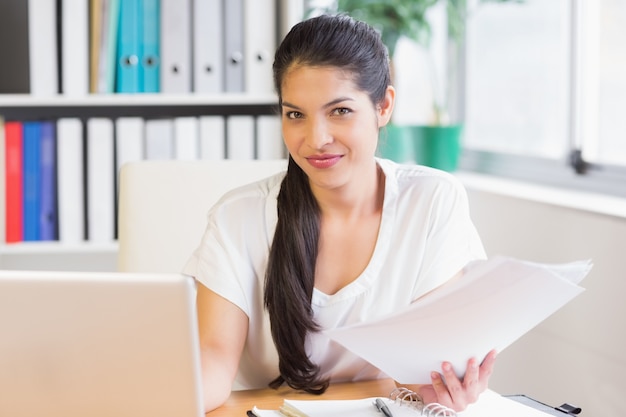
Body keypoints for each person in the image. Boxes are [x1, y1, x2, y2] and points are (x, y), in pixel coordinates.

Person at [183, 13, 496, 413]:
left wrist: (443, 387)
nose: (315, 140)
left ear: (384, 106)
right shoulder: (237, 218)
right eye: (295, 114)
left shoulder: (432, 202)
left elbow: (424, 371)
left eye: (340, 111)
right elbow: (211, 359)